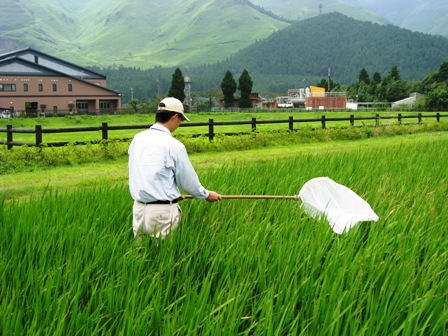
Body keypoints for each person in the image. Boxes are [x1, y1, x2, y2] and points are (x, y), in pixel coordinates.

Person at [128, 97, 222, 239]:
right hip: (163, 213)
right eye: (180, 120)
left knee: (140, 256)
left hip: (139, 209)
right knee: (165, 257)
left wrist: (172, 192)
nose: (179, 124)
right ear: (175, 117)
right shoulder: (173, 145)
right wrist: (206, 195)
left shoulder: (138, 139)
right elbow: (188, 182)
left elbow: (147, 173)